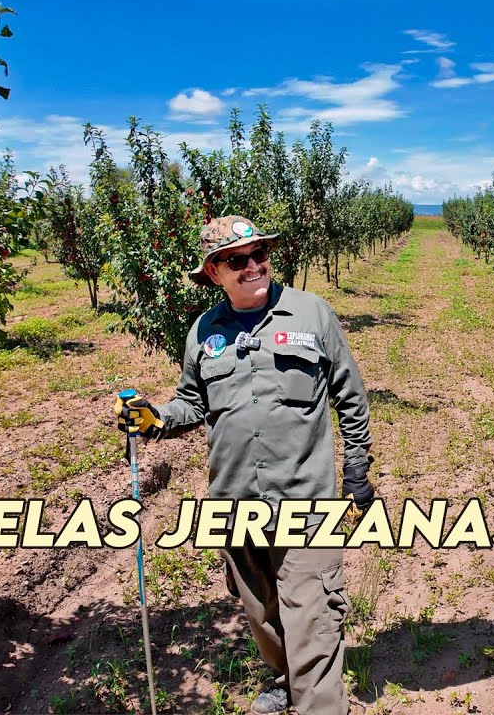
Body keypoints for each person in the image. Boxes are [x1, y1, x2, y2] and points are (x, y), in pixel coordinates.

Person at [115, 215, 376, 715]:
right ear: (214, 272)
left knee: (313, 615)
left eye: (260, 255)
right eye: (238, 260)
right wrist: (155, 418)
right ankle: (285, 679)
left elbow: (351, 397)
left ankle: (320, 704)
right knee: (261, 612)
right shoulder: (204, 330)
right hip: (234, 502)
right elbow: (192, 402)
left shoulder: (311, 314)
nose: (254, 266)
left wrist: (357, 473)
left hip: (305, 500)